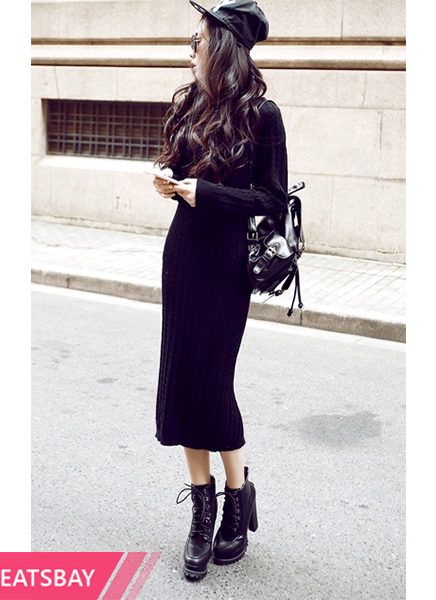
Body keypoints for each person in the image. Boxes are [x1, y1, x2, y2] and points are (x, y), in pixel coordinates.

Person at [152, 0, 288, 580]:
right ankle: (201, 510)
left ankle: (238, 496)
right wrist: (170, 181)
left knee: (213, 384)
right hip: (183, 255)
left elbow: (271, 199)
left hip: (227, 264)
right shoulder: (190, 103)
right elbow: (181, 170)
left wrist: (204, 193)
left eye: (198, 40)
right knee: (183, 381)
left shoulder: (262, 114)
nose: (191, 49)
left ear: (223, 47)